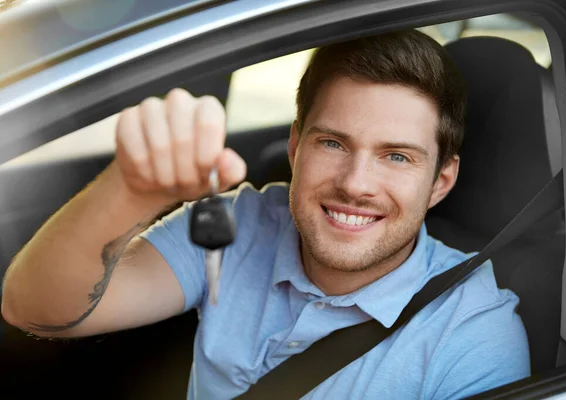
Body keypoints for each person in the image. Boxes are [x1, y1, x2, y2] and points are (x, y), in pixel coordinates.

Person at [1, 30, 530, 399]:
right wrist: (132, 191)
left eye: (396, 156)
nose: (355, 184)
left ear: (441, 180)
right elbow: (36, 308)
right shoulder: (238, 224)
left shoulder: (473, 334)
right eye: (333, 143)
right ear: (296, 146)